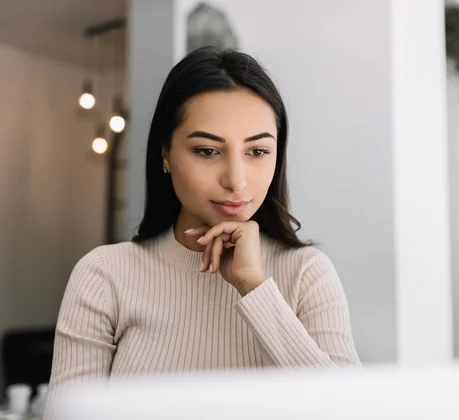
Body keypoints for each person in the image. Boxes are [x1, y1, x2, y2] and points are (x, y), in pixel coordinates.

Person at [46, 46, 360, 404]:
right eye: (208, 151)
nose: (236, 181)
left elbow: (352, 408)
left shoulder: (307, 274)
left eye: (257, 152)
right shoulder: (105, 276)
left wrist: (254, 288)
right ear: (165, 154)